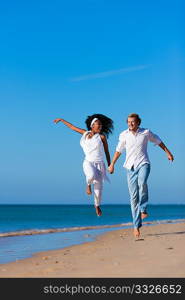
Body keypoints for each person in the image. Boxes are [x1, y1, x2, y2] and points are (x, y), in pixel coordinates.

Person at [108, 113, 174, 238]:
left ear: (138, 122)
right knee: (133, 198)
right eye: (128, 122)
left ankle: (143, 208)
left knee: (142, 183)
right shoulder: (124, 135)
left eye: (133, 122)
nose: (130, 124)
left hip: (143, 163)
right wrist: (112, 164)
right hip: (129, 167)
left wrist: (168, 153)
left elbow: (159, 141)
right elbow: (118, 150)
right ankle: (136, 226)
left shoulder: (146, 132)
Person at [53, 114, 113, 216]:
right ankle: (88, 185)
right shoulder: (85, 133)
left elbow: (107, 152)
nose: (100, 126)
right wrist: (61, 120)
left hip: (100, 164)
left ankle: (97, 205)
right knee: (90, 175)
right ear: (92, 126)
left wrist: (110, 165)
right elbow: (72, 127)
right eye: (98, 124)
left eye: (101, 125)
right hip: (88, 162)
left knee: (98, 191)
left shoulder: (102, 137)